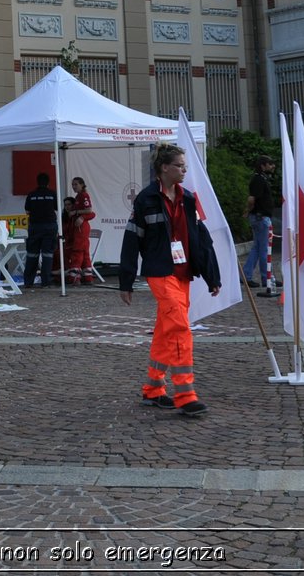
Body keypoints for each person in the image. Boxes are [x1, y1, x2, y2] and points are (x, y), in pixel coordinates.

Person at [118, 144, 222, 417]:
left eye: (185, 166)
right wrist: (125, 281)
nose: (184, 170)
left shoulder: (188, 199)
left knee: (167, 330)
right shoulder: (145, 199)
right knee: (179, 328)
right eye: (179, 166)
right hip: (160, 273)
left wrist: (212, 275)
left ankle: (153, 390)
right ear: (164, 168)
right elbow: (131, 241)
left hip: (183, 274)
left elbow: (202, 239)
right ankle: (185, 394)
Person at [242, 155, 278, 289]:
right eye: (270, 164)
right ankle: (267, 278)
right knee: (264, 249)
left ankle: (247, 276)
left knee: (257, 248)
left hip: (259, 217)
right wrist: (248, 210)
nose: (273, 166)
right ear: (263, 166)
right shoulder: (258, 180)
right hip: (261, 217)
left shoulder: (260, 179)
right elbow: (252, 199)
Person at [22, 172, 59, 289]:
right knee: (47, 254)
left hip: (35, 227)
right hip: (49, 227)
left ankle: (28, 282)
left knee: (32, 254)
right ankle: (46, 282)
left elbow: (27, 211)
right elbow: (57, 208)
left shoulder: (31, 195)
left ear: (37, 182)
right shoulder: (52, 194)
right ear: (48, 183)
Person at [65, 177, 96, 285]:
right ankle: (88, 277)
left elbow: (90, 210)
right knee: (84, 252)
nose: (74, 186)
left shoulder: (84, 195)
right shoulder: (79, 196)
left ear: (82, 185)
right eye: (72, 184)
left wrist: (77, 214)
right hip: (80, 227)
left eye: (76, 184)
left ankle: (74, 277)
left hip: (81, 228)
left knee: (77, 251)